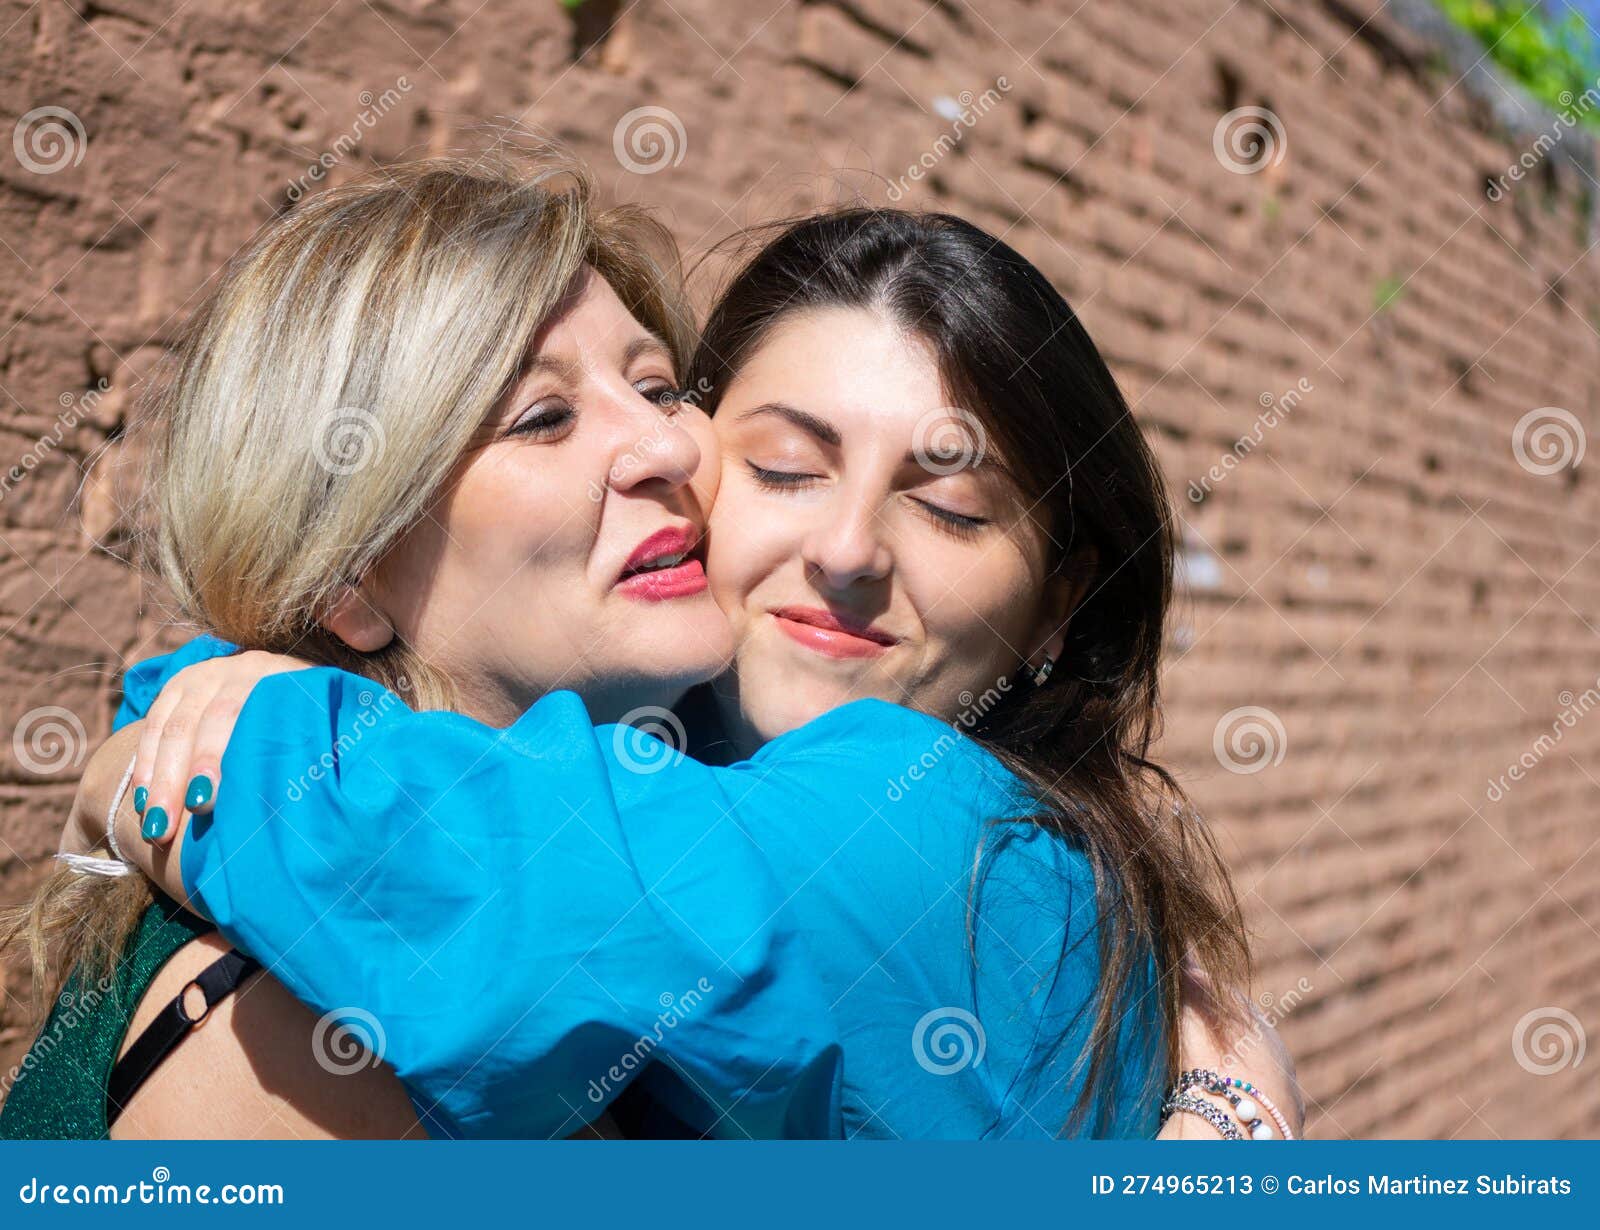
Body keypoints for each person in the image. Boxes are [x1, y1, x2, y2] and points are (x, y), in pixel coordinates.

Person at [6, 162, 1297, 1140]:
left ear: (1062, 603)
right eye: (780, 463)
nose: (668, 447)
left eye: (658, 386)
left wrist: (197, 726)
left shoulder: (944, 839)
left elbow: (517, 888)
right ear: (345, 574)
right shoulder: (283, 1025)